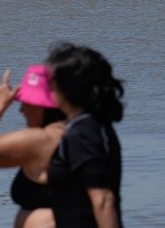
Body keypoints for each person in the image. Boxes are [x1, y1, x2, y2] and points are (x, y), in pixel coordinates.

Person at [0, 66, 66, 228]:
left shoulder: (40, 140)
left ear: (40, 106)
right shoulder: (75, 133)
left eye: (25, 102)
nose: (21, 110)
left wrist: (1, 105)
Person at [45, 42, 124, 228]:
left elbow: (104, 200)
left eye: (52, 82)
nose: (49, 87)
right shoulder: (91, 125)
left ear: (69, 87)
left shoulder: (83, 132)